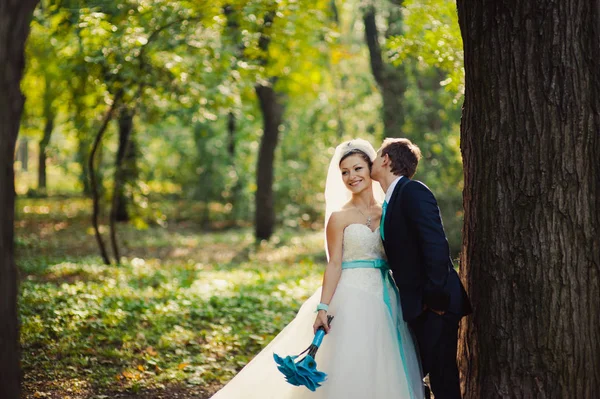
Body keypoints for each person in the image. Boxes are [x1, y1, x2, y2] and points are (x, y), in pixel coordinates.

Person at [210, 139, 424, 399]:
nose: (351, 176)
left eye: (357, 169)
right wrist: (323, 308)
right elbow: (334, 264)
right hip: (349, 296)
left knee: (383, 360)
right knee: (348, 361)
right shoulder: (339, 217)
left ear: (371, 168)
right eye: (344, 172)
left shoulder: (388, 211)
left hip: (385, 296)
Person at [370, 138, 472, 399]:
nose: (373, 159)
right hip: (419, 306)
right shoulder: (391, 200)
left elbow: (435, 245)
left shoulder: (413, 191)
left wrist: (435, 300)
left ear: (386, 159)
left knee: (443, 379)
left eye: (377, 153)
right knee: (424, 377)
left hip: (436, 305)